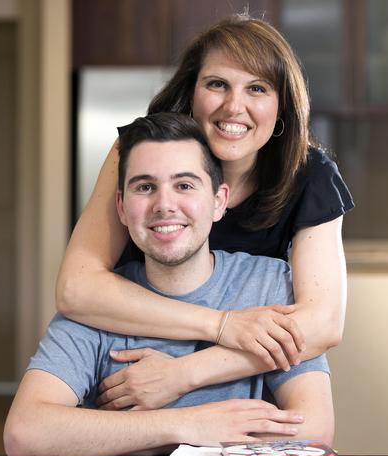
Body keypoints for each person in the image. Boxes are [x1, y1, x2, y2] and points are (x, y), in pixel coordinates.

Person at [55, 13, 354, 412]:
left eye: (258, 88)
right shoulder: (141, 151)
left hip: (240, 396)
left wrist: (183, 374)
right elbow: (76, 289)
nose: (234, 107)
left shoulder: (311, 176)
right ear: (191, 93)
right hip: (129, 385)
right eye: (217, 84)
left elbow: (323, 323)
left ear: (282, 105)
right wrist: (221, 325)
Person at [3, 113, 334, 456]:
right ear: (121, 206)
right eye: (145, 187)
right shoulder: (98, 304)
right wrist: (188, 426)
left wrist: (131, 434)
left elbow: (314, 428)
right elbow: (25, 431)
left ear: (219, 201)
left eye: (185, 185)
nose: (164, 205)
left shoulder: (267, 285)